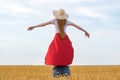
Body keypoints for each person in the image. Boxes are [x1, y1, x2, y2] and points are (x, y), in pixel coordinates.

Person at [27, 9, 90, 77]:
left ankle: (57, 71)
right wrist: (85, 31)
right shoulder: (67, 21)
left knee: (54, 52)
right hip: (65, 39)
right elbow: (77, 26)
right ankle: (65, 71)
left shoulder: (54, 20)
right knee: (65, 53)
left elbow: (44, 24)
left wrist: (34, 26)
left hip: (57, 39)